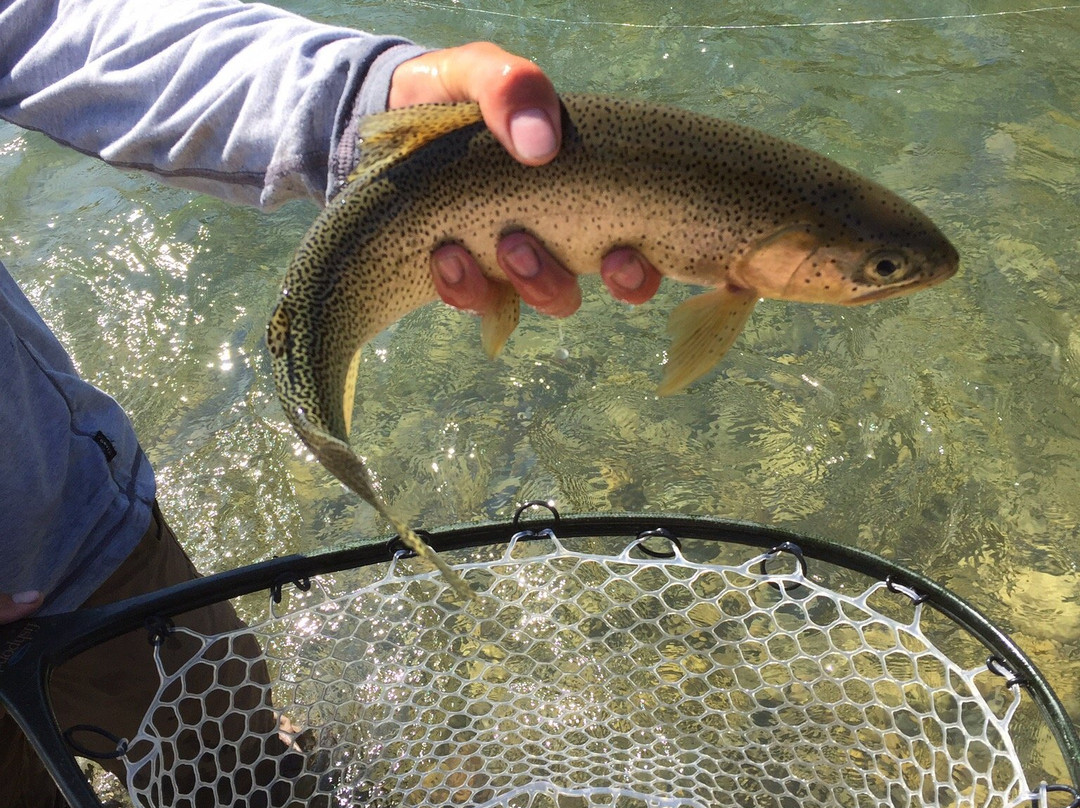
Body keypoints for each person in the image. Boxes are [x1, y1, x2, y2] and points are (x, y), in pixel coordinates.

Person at [0, 0, 661, 804]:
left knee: (246, 780)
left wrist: (365, 103)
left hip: (76, 547)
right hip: (69, 539)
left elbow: (62, 29)